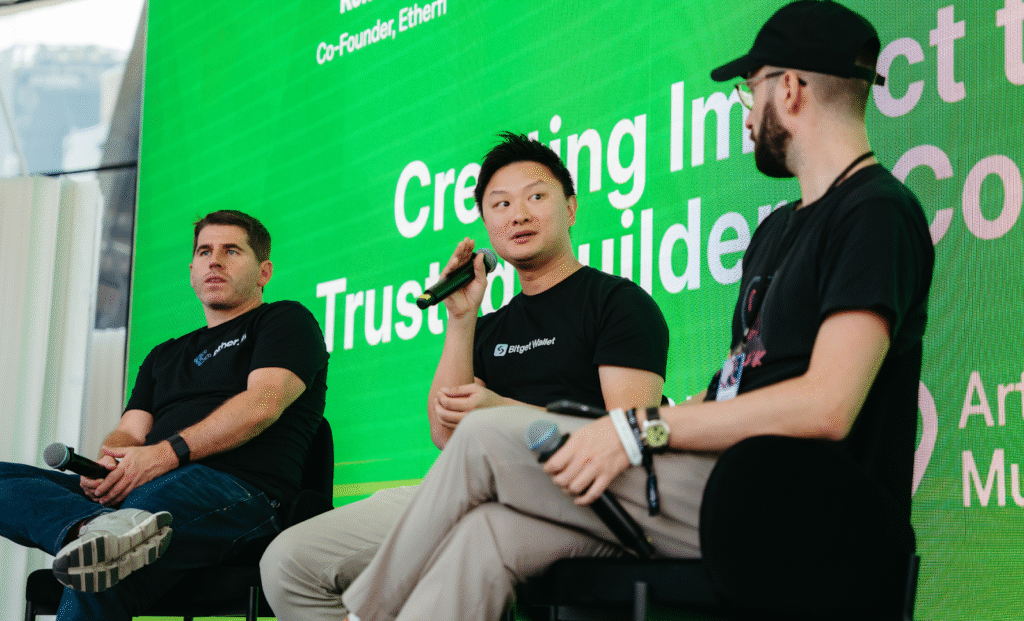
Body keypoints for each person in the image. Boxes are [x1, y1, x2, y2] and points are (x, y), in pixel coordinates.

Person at [337, 2, 935, 620]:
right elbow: (733, 388)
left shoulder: (874, 211)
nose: (745, 112)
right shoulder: (778, 230)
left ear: (788, 88)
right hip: (724, 484)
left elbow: (827, 405)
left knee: (486, 436)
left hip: (804, 512)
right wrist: (636, 431)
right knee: (488, 534)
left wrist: (636, 430)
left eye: (748, 90)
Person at [260, 132, 670, 620]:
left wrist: (500, 413)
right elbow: (445, 433)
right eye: (501, 204)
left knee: (470, 532)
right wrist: (460, 318)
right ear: (487, 224)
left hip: (575, 498)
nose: (518, 215)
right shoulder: (487, 326)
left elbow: (627, 432)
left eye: (536, 197)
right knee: (288, 562)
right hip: (472, 489)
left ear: (571, 208)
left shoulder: (616, 303)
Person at [0, 210, 329, 620]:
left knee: (103, 567)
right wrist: (111, 463)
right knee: (86, 544)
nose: (215, 261)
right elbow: (128, 432)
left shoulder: (286, 321)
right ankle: (95, 530)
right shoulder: (163, 355)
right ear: (192, 271)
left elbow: (261, 405)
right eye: (204, 252)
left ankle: (114, 533)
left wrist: (163, 455)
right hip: (145, 489)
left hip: (239, 492)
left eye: (231, 251)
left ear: (264, 272)